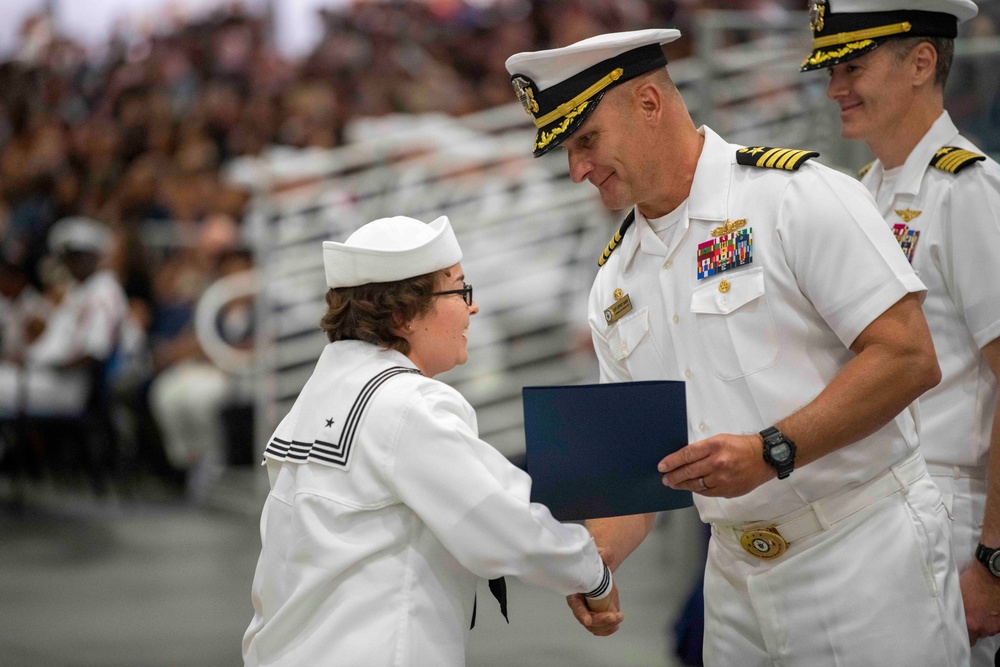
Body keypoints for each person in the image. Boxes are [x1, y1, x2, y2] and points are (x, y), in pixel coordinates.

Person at [505, 28, 968, 664]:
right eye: (566, 150)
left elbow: (910, 356)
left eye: (586, 140)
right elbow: (644, 472)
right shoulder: (616, 280)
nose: (576, 168)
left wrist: (772, 450)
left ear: (649, 103)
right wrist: (594, 561)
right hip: (734, 579)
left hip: (863, 551)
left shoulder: (794, 196)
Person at [242, 215, 616, 666]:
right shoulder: (407, 402)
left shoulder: (318, 394)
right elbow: (501, 522)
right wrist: (593, 577)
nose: (472, 308)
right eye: (460, 290)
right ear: (401, 314)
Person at [801, 0, 1000, 661]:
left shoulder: (967, 190)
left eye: (851, 66)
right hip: (872, 508)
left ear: (921, 62)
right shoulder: (863, 191)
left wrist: (994, 559)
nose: (834, 88)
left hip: (951, 506)